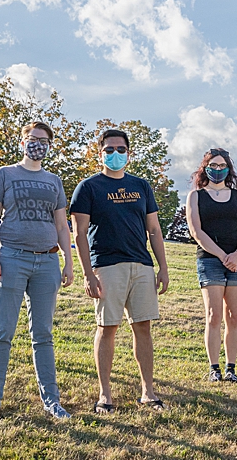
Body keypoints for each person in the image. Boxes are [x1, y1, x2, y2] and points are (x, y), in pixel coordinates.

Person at [70, 128, 170, 414]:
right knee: (107, 328)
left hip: (141, 266)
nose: (115, 154)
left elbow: (154, 229)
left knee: (143, 328)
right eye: (109, 150)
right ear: (100, 153)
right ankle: (105, 395)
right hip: (107, 266)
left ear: (129, 153)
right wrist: (88, 273)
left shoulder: (141, 185)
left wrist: (162, 267)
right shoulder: (88, 187)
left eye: (121, 149)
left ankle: (148, 393)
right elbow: (79, 234)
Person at [0, 122, 74, 424]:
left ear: (49, 145)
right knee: (2, 331)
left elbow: (62, 225)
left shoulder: (54, 180)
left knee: (43, 334)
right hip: (10, 259)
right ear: (22, 142)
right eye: (33, 139)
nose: (37, 144)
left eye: (43, 140)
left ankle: (52, 400)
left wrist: (68, 262)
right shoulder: (4, 174)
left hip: (46, 262)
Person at [186, 148, 237, 382]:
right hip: (210, 261)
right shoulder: (195, 196)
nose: (217, 170)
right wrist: (223, 255)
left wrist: (235, 254)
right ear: (205, 168)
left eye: (221, 165)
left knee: (233, 316)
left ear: (228, 169)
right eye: (212, 166)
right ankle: (214, 368)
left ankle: (230, 368)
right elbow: (196, 231)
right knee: (213, 315)